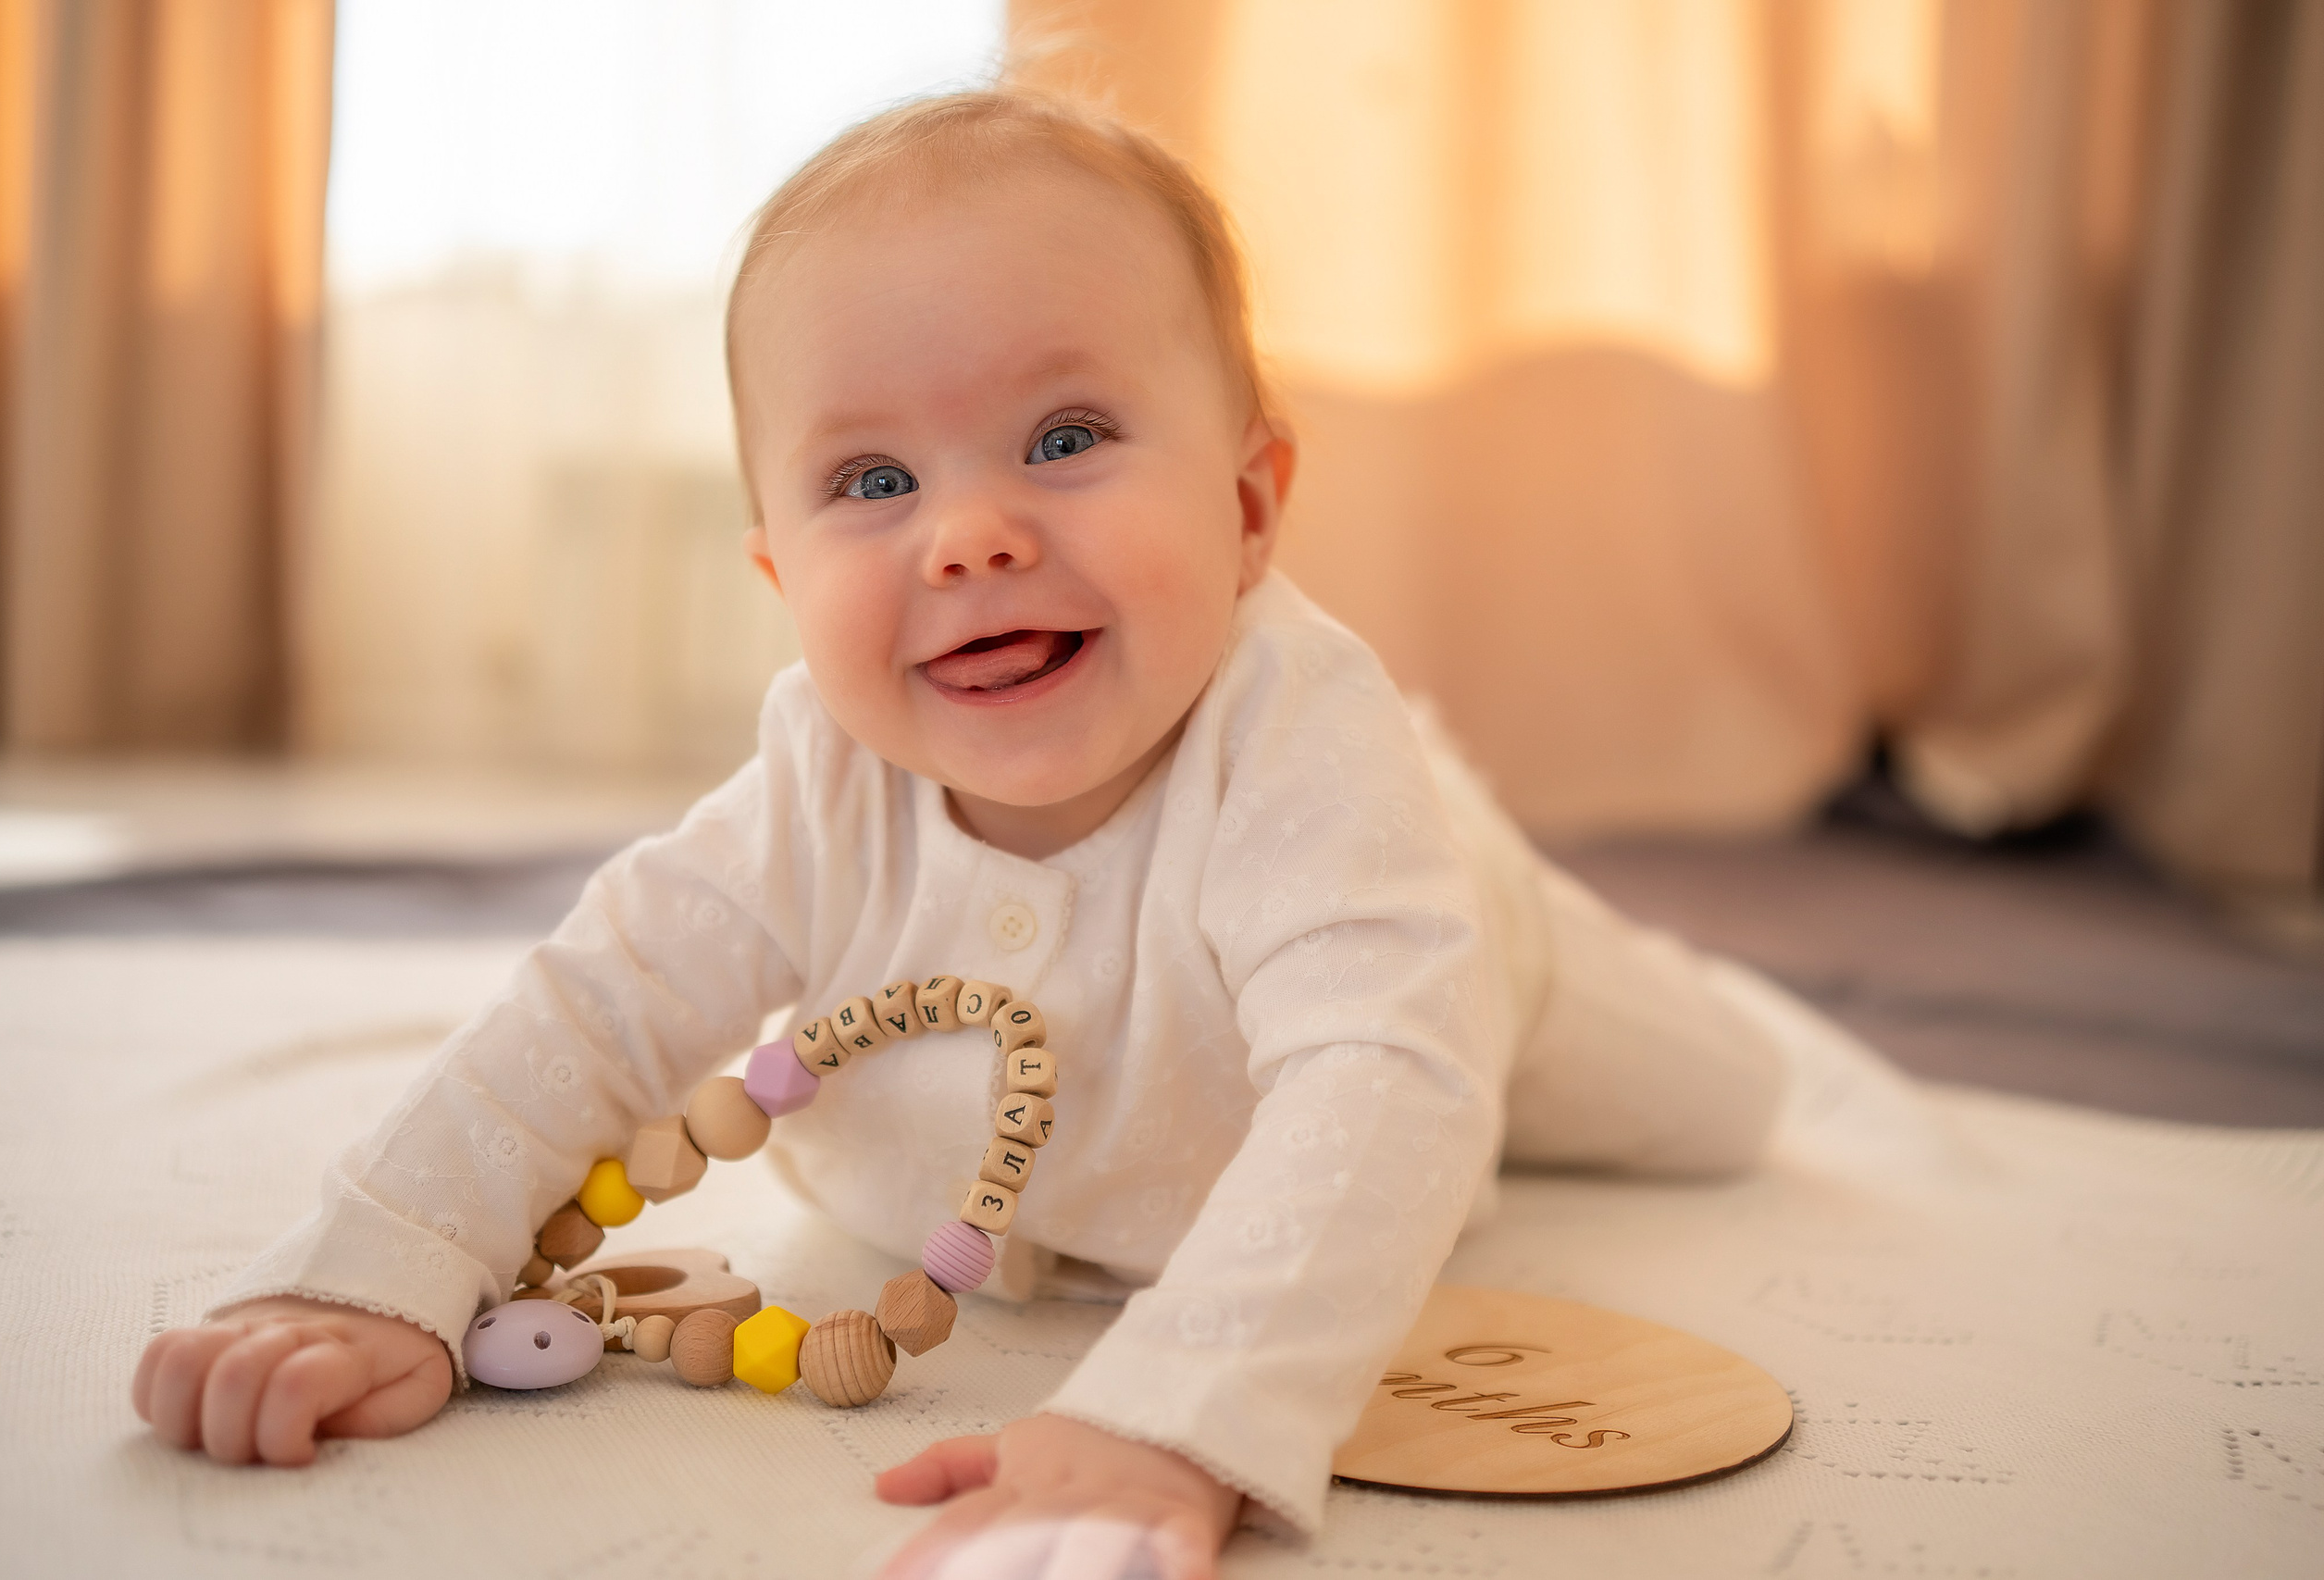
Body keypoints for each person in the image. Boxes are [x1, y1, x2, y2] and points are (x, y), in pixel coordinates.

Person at [130, 90, 1785, 1578]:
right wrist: (381, 1261)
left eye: (1066, 442)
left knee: (1730, 1099)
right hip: (994, 1182)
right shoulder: (819, 777)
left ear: (1250, 509)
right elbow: (601, 998)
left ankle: (1483, 844)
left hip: (1473, 940)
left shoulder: (1298, 739)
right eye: (869, 480)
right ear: (779, 579)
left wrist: (1176, 1414)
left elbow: (1387, 1081)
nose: (972, 536)